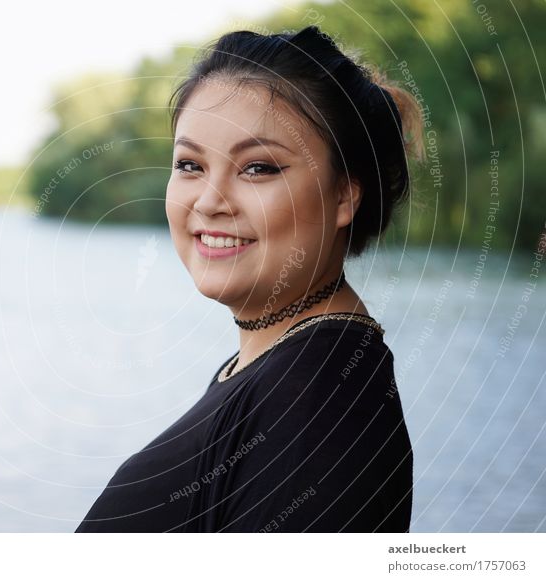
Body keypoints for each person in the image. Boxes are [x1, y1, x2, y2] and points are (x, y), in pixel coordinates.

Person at [76, 25, 424, 533]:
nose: (210, 200)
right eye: (191, 164)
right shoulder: (275, 367)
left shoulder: (319, 398)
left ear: (346, 195)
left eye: (258, 168)